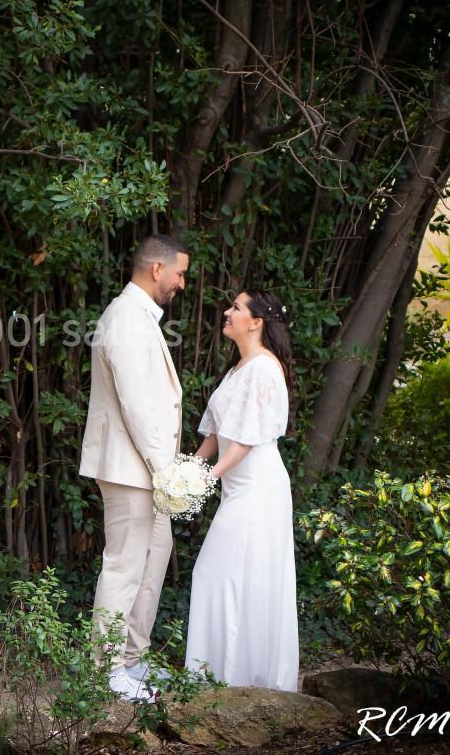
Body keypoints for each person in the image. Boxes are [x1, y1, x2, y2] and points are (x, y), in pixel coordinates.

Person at [79, 233, 189, 701]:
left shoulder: (141, 316)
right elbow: (137, 404)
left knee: (154, 559)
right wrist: (166, 469)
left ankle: (132, 659)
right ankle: (104, 671)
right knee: (125, 566)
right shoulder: (125, 317)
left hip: (147, 468)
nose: (182, 283)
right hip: (131, 467)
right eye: (180, 273)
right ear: (157, 269)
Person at [185, 290, 298, 691]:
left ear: (256, 322)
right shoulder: (238, 368)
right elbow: (217, 434)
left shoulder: (264, 369)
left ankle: (237, 680)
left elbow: (247, 439)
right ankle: (216, 677)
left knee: (223, 574)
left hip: (258, 487)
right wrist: (188, 470)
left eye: (236, 307)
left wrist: (208, 477)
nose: (227, 312)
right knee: (226, 576)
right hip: (237, 486)